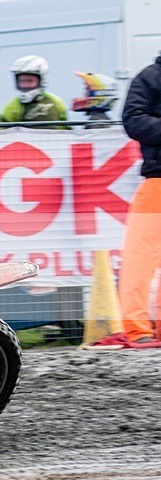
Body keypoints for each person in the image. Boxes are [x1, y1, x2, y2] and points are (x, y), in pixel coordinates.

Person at [117, 51, 161, 348]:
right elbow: (133, 120)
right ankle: (137, 327)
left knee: (141, 256)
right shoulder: (149, 77)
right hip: (157, 179)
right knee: (140, 258)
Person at [0, 55, 68, 128]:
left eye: (30, 81)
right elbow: (3, 129)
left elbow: (66, 128)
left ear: (41, 81)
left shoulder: (55, 102)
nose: (25, 85)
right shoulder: (13, 105)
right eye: (21, 81)